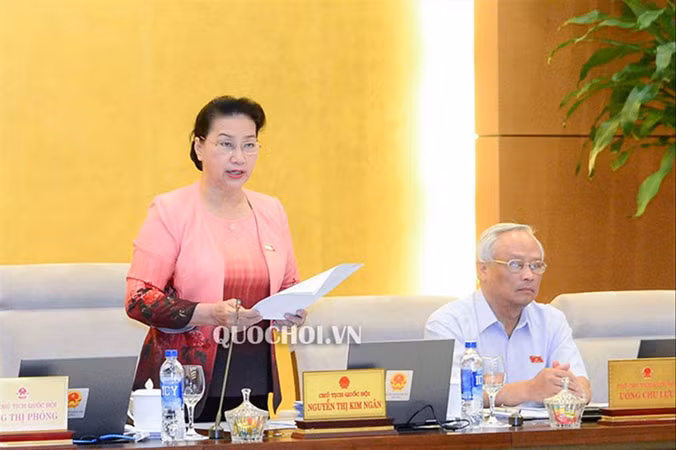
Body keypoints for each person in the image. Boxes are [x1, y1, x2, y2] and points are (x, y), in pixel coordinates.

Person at [125, 95, 306, 419]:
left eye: (249, 145)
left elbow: (289, 284)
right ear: (199, 147)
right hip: (184, 384)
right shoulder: (170, 210)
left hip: (255, 378)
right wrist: (210, 313)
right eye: (226, 144)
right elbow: (139, 299)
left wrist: (291, 310)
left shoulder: (271, 210)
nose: (239, 157)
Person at [425, 223, 591, 417]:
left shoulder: (551, 320)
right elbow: (450, 396)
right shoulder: (448, 323)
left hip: (540, 431)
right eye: (515, 265)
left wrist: (574, 389)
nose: (529, 276)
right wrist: (530, 389)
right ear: (483, 269)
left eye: (536, 266)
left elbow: (582, 386)